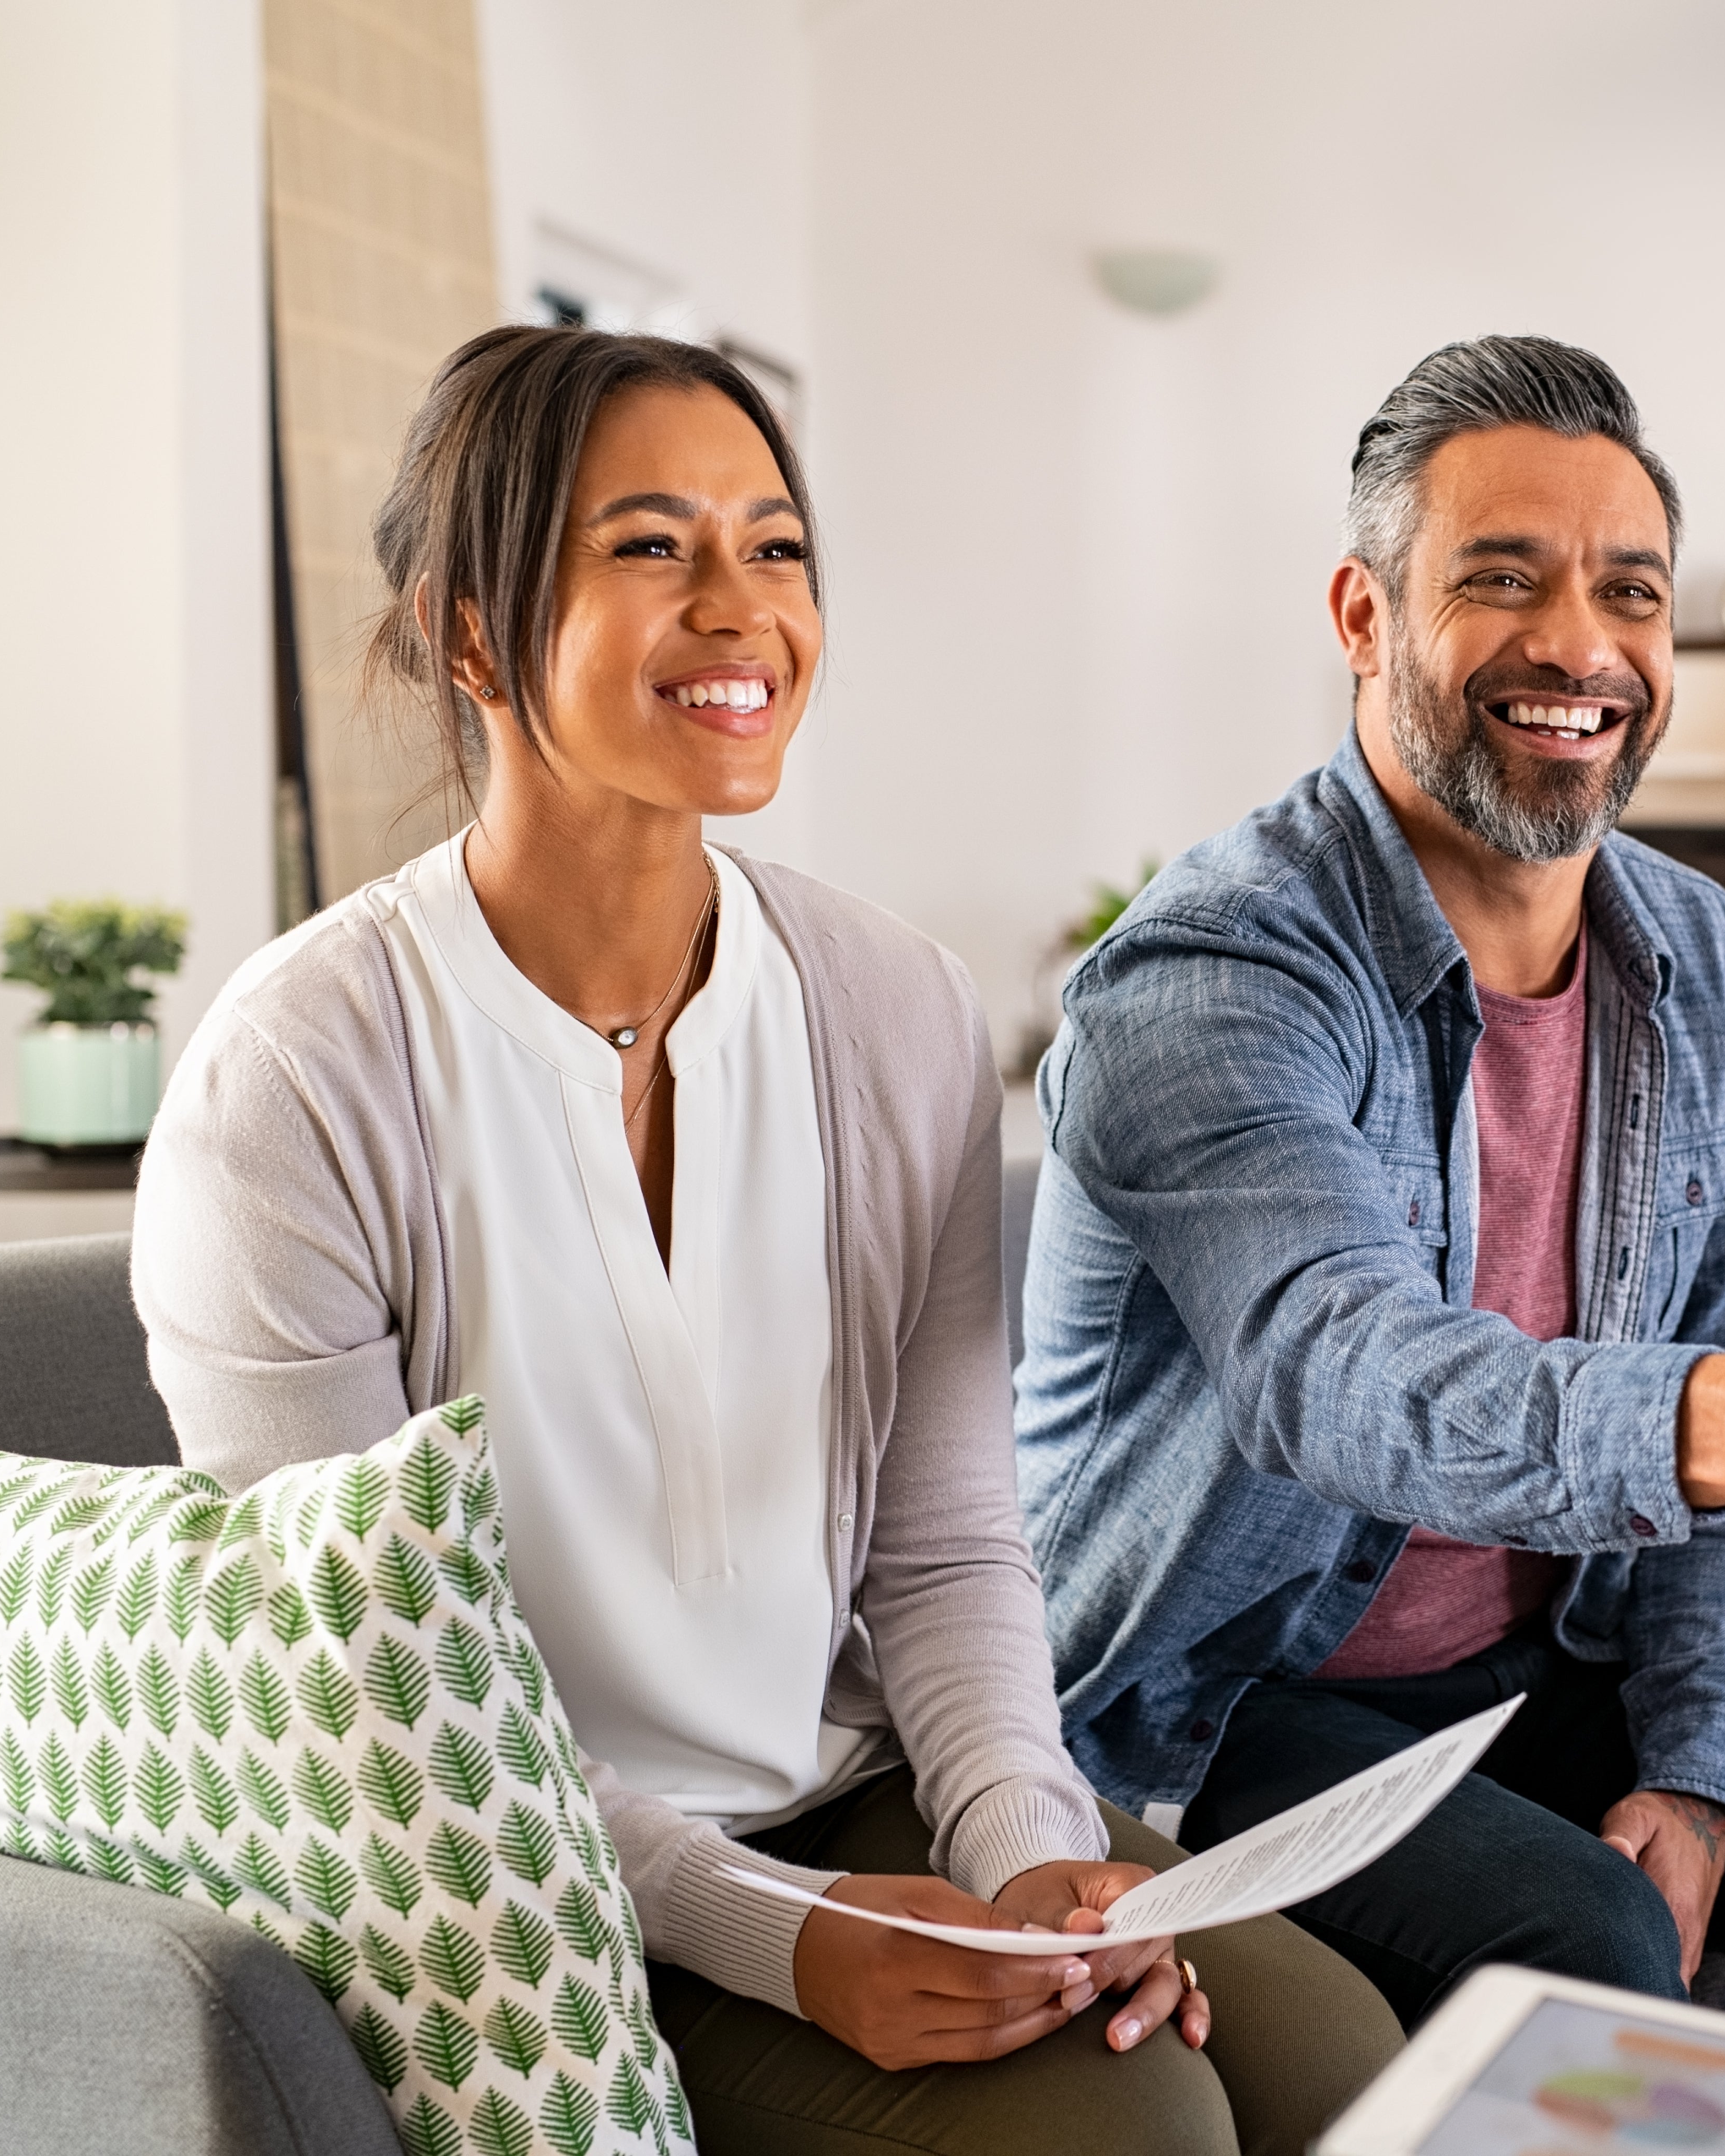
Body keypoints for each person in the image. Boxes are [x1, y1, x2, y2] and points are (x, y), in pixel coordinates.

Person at [131, 325, 1399, 2156]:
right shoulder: (298, 1077)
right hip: (509, 1888)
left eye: (778, 546)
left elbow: (952, 1545)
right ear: (474, 635)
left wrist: (1037, 1853)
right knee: (1127, 2136)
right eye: (652, 547)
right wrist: (780, 1941)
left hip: (845, 1791)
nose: (743, 610)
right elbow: (372, 1697)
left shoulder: (891, 1007)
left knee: (1338, 2059)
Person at [1013, 335, 1725, 2087]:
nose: (1579, 648)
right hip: (1231, 1705)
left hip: (1551, 1647)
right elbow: (1341, 1374)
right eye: (1500, 582)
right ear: (1363, 618)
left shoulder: (1705, 965)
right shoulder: (1213, 977)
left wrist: (1699, 1772)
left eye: (1629, 594)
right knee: (1579, 1947)